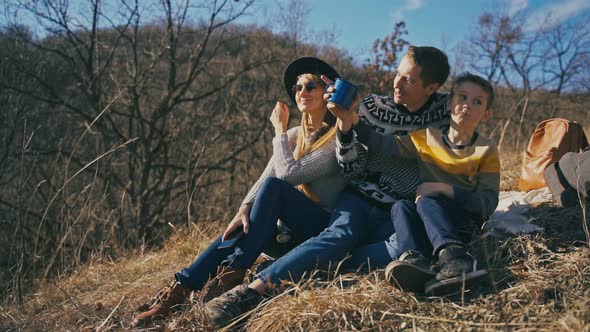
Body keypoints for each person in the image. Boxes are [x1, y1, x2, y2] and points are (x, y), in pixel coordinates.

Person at [204, 46, 451, 327]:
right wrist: (346, 126)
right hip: (357, 198)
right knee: (339, 236)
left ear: (432, 87)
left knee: (396, 255)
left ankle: (293, 266)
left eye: (408, 79)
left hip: (397, 211)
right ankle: (249, 294)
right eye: (397, 74)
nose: (396, 82)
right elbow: (352, 169)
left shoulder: (445, 116)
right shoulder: (372, 108)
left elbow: (458, 140)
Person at [131, 57, 346, 327]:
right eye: (298, 87)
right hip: (287, 230)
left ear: (327, 91)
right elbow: (267, 175)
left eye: (311, 86)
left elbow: (287, 175)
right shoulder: (294, 134)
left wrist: (278, 130)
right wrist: (243, 209)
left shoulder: (338, 136)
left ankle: (233, 274)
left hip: (320, 232)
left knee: (273, 190)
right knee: (238, 227)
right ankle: (179, 292)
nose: (302, 92)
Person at [384, 73, 500, 296]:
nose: (467, 106)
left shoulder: (486, 149)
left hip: (464, 224)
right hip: (431, 223)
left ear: (486, 114)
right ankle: (416, 261)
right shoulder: (427, 137)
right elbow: (385, 146)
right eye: (462, 97)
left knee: (427, 200)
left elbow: (488, 203)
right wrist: (351, 121)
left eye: (477, 102)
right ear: (449, 103)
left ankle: (458, 259)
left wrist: (444, 189)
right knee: (401, 206)